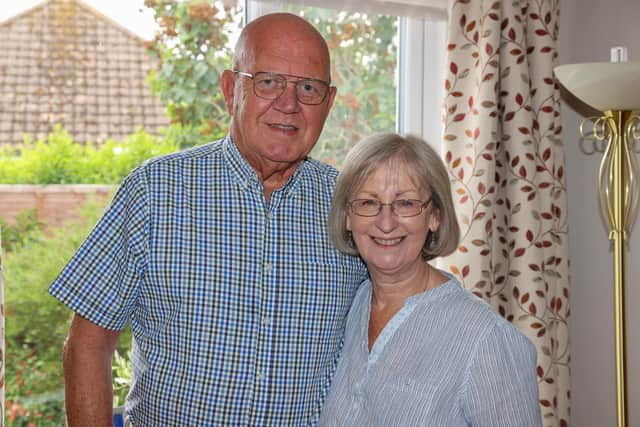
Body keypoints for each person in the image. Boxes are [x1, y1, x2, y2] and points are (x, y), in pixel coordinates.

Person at [49, 13, 366, 426]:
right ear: (231, 89)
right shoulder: (155, 190)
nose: (288, 104)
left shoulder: (354, 207)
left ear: (328, 102)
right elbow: (88, 344)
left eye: (308, 88)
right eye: (268, 82)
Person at [319, 133, 542, 426]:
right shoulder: (349, 306)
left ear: (434, 216)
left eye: (406, 204)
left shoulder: (485, 340)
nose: (386, 223)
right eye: (368, 202)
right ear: (348, 216)